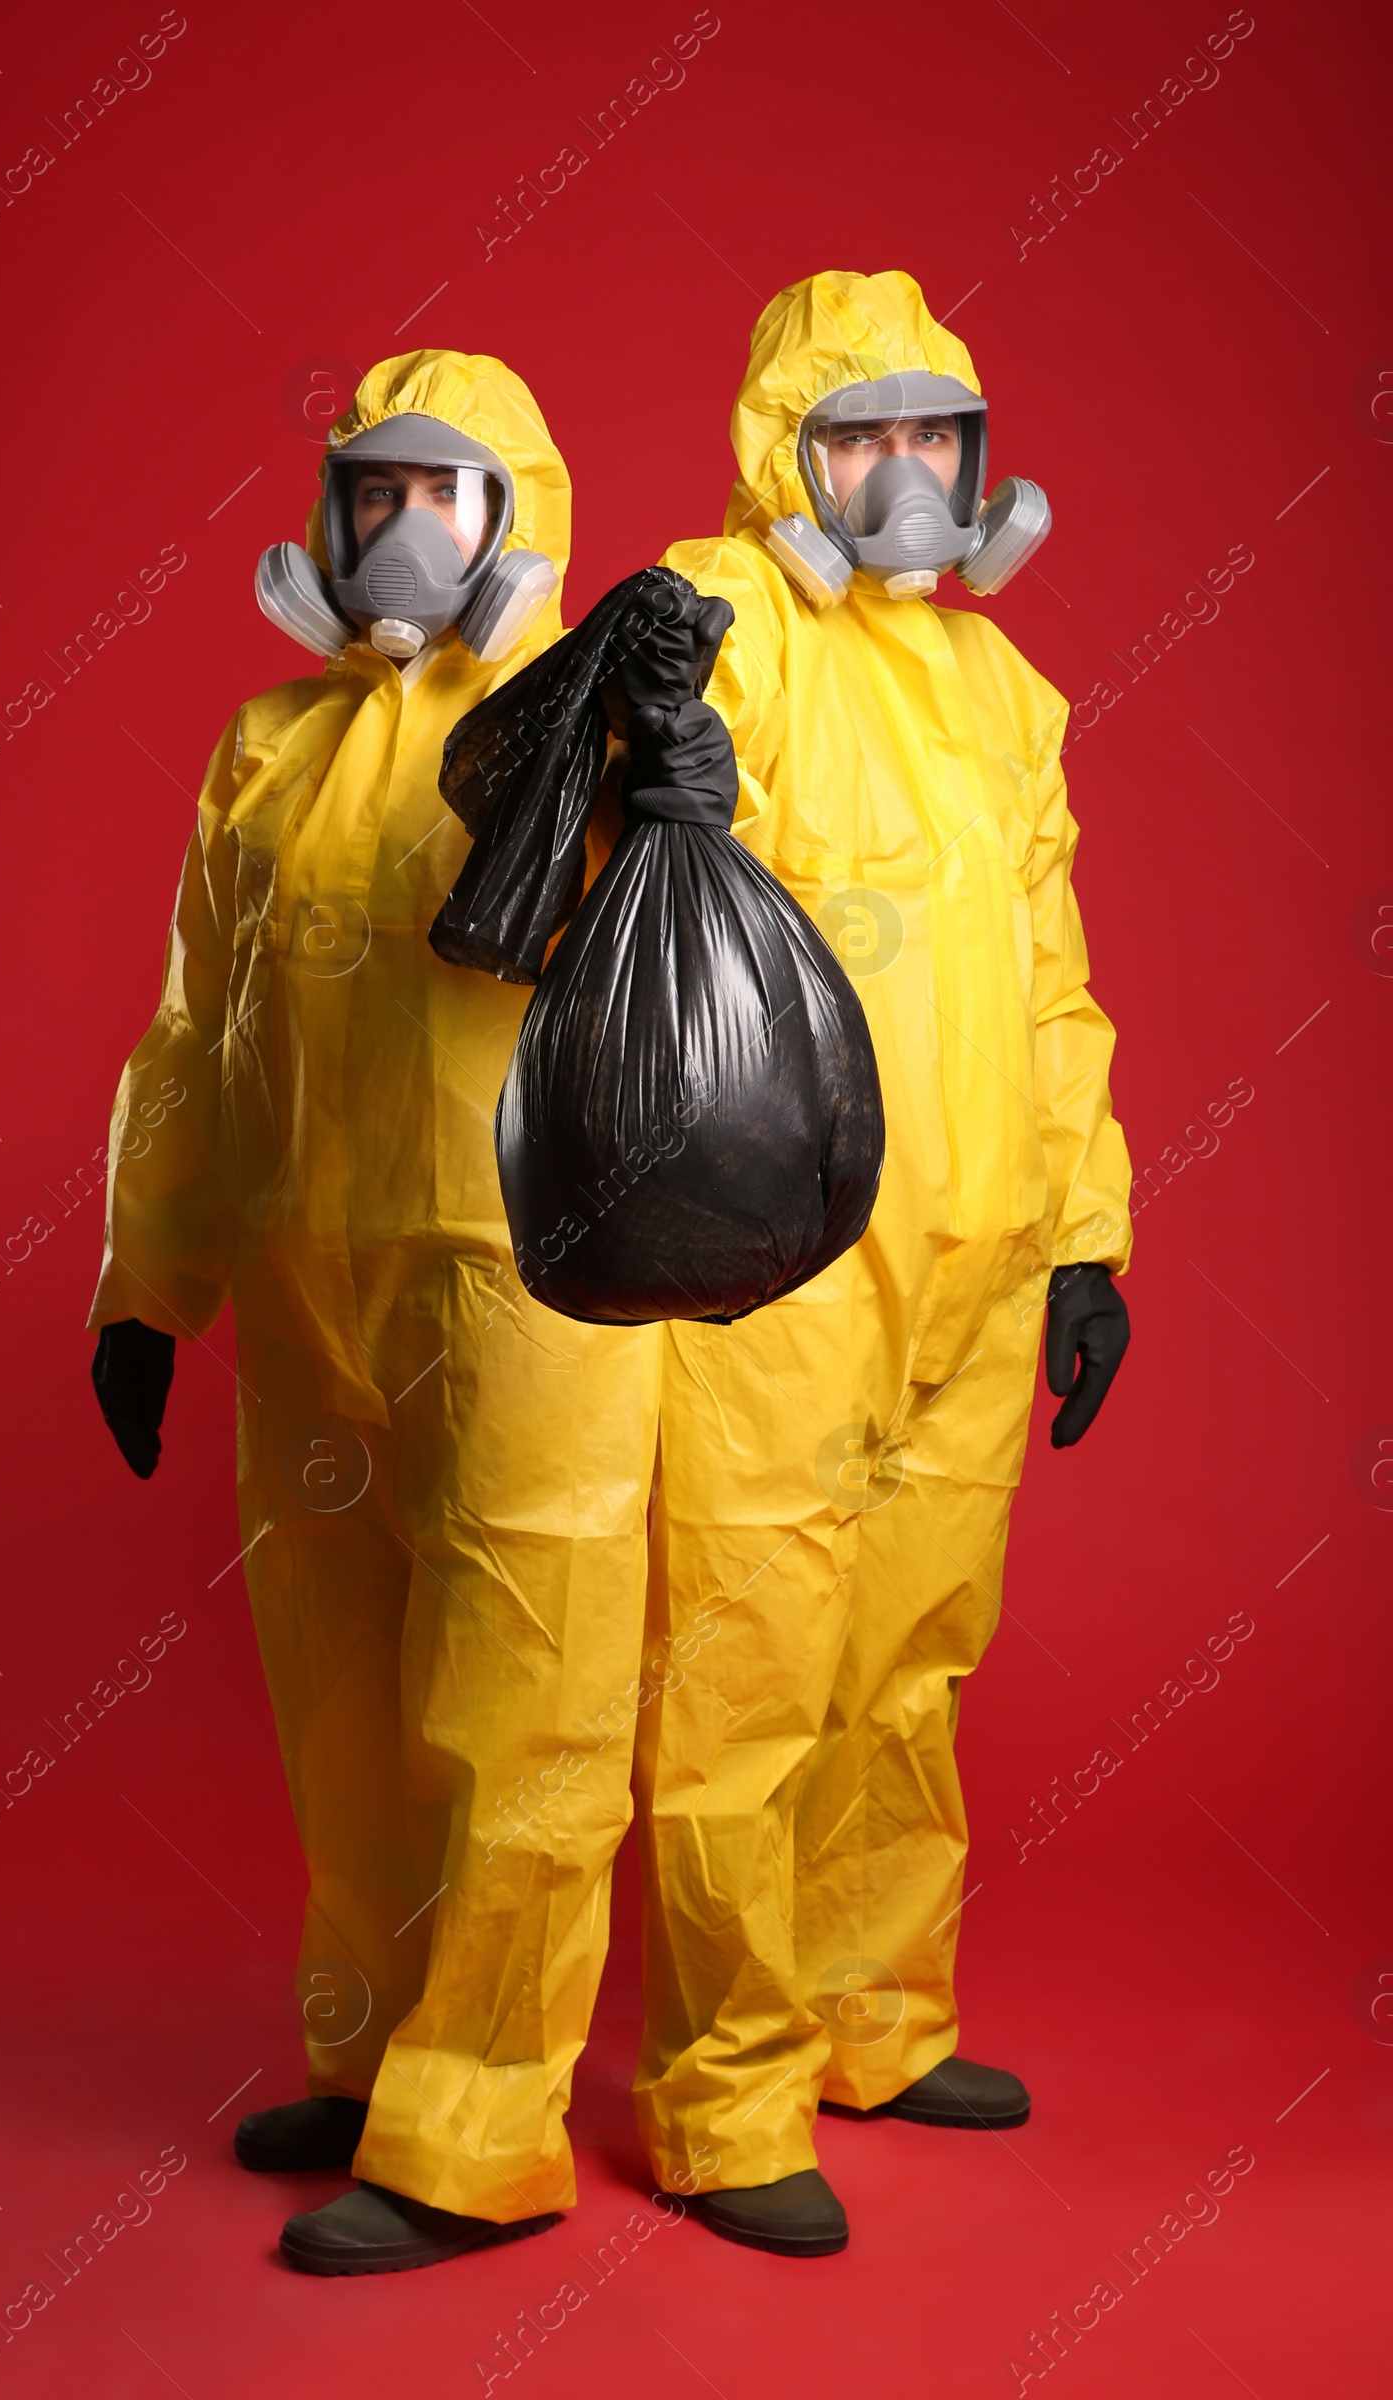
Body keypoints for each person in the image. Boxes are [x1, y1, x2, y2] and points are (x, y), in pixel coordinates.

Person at [88, 349, 668, 2275]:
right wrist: (147, 1283)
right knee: (344, 1704)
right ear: (330, 519)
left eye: (451, 496)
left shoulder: (585, 723)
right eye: (374, 497)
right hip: (310, 1285)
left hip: (527, 1279)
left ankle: (475, 2133)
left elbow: (695, 977)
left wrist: (681, 789)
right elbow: (195, 1027)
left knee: (526, 1703)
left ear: (522, 519)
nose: (405, 534)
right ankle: (370, 2055)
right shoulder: (265, 746)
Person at [622, 271, 1132, 2256]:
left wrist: (1081, 1235)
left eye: (935, 438)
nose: (905, 473)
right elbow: (594, 846)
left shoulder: (1003, 695)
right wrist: (636, 728)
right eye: (863, 437)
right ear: (785, 455)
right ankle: (727, 2098)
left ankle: (872, 2014)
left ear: (975, 462)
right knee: (750, 1674)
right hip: (778, 1257)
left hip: (981, 1256)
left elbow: (1054, 989)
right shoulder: (719, 618)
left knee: (910, 1661)